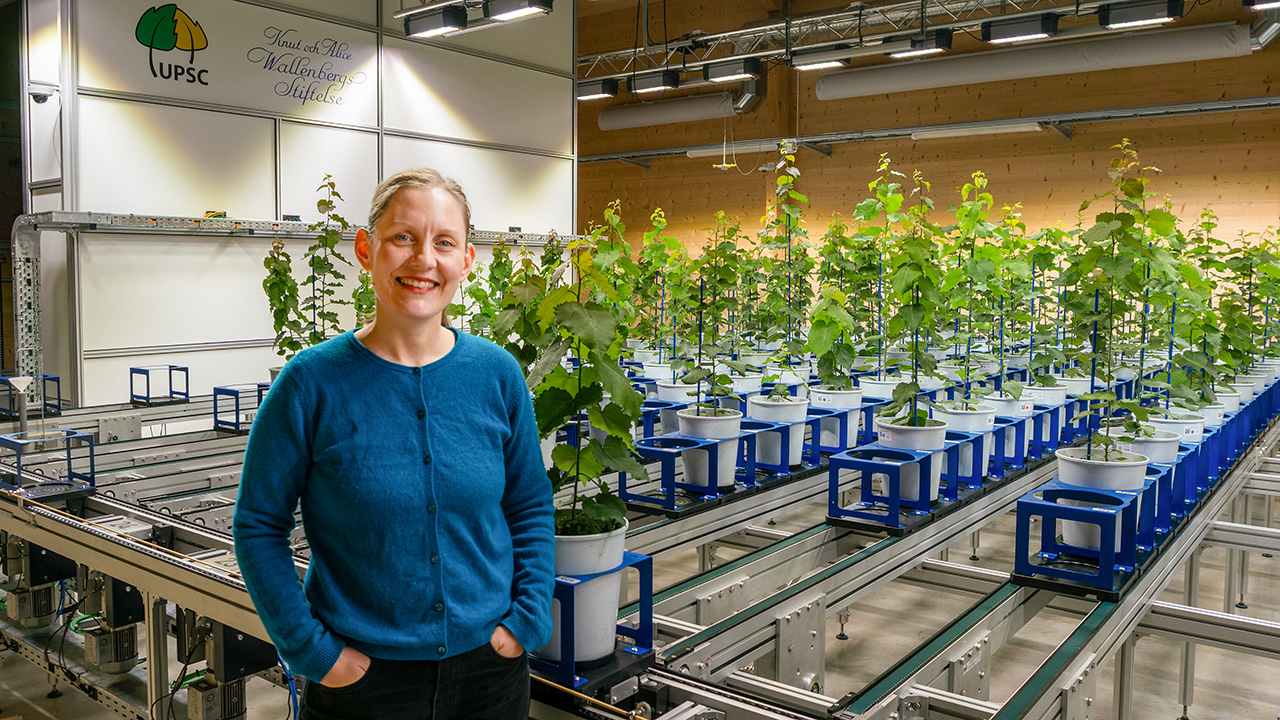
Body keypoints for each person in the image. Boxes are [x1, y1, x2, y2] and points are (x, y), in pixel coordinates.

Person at [233, 168, 555, 720]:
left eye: (444, 242)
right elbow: (258, 525)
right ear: (367, 248)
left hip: (490, 675)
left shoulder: (497, 376)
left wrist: (526, 620)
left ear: (467, 260)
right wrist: (313, 651)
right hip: (363, 686)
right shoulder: (311, 384)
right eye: (403, 237)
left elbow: (528, 506)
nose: (423, 259)